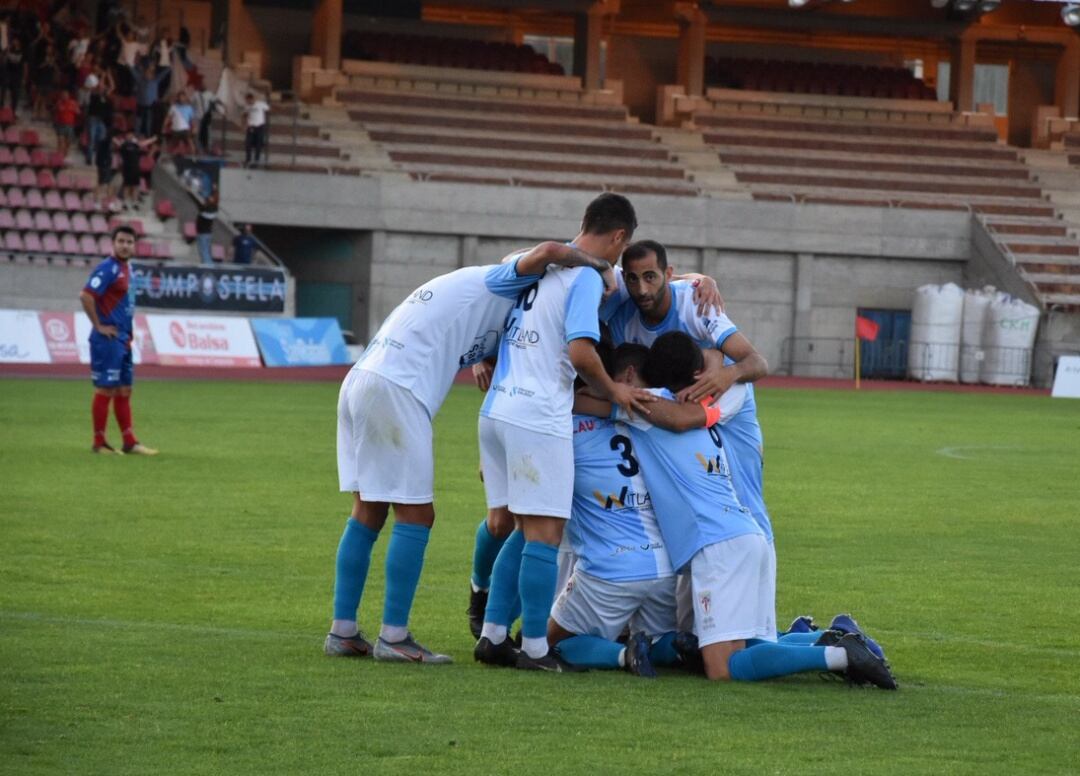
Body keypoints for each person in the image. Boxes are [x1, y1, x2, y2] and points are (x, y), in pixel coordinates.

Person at [326, 241, 618, 664]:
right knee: (417, 515)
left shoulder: (484, 298)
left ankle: (344, 630)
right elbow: (550, 250)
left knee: (368, 510)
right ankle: (394, 637)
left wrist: (486, 356)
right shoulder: (502, 280)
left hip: (362, 379)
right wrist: (599, 264)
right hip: (398, 388)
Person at [585, 334, 896, 688]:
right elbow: (713, 358)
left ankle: (841, 655)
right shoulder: (712, 402)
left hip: (718, 545)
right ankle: (832, 638)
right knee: (752, 644)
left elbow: (584, 402)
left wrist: (602, 388)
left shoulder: (649, 406)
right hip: (746, 535)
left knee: (722, 667)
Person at [473, 193, 656, 673]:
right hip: (537, 413)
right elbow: (579, 353)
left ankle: (493, 635)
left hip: (495, 410)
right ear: (619, 236)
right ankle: (535, 647)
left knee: (522, 526)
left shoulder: (532, 265)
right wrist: (615, 391)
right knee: (546, 534)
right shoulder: (584, 278)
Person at [78, 225, 157, 457]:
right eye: (121, 241)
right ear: (113, 243)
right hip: (107, 338)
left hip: (123, 339)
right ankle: (99, 443)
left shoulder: (129, 270)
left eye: (129, 242)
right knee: (106, 388)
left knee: (125, 390)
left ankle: (130, 442)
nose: (125, 245)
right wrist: (98, 325)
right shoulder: (108, 268)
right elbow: (85, 296)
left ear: (134, 245)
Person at [116, 130, 155, 210]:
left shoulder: (136, 145)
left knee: (136, 186)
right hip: (127, 168)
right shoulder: (124, 145)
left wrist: (153, 139)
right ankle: (125, 203)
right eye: (128, 135)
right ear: (126, 136)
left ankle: (135, 203)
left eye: (131, 135)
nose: (130, 136)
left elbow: (144, 143)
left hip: (135, 168)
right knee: (126, 186)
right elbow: (117, 143)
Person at [242, 91, 268, 167]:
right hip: (251, 127)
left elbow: (267, 109)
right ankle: (248, 159)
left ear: (252, 99)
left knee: (258, 144)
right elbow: (245, 114)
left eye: (249, 100)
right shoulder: (247, 106)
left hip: (259, 126)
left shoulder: (260, 104)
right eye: (247, 101)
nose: (248, 102)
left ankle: (256, 160)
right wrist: (244, 124)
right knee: (248, 143)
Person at [195, 184, 218, 264]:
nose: (205, 201)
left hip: (203, 234)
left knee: (203, 251)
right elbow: (213, 199)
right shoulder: (214, 209)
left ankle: (207, 266)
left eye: (207, 200)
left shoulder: (205, 210)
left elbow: (197, 202)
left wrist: (191, 192)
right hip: (208, 233)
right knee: (207, 250)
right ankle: (209, 264)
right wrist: (214, 190)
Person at [53, 88, 79, 157]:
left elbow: (78, 112)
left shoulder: (73, 103)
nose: (64, 96)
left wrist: (75, 110)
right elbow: (54, 110)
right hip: (60, 124)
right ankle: (58, 154)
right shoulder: (59, 103)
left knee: (68, 141)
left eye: (65, 95)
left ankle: (65, 152)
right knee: (60, 140)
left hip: (70, 125)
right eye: (63, 95)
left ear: (68, 96)